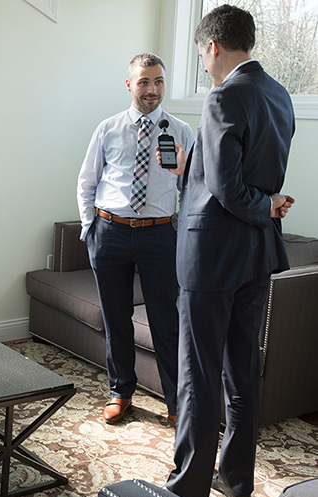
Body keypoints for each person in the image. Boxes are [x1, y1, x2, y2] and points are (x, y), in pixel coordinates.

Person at [162, 5, 295, 497]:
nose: (203, 63)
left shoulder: (223, 96)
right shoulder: (278, 94)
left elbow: (228, 189)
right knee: (243, 374)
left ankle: (187, 487)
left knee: (197, 378)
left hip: (211, 259)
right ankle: (237, 480)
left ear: (213, 47)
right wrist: (270, 203)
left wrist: (261, 202)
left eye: (201, 53)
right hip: (257, 255)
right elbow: (245, 175)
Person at [77, 53, 195, 425]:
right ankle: (120, 392)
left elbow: (193, 190)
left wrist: (184, 171)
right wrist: (90, 229)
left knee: (166, 321)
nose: (152, 89)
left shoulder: (182, 132)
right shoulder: (108, 129)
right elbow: (87, 182)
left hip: (160, 235)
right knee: (117, 318)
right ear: (129, 85)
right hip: (110, 232)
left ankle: (177, 402)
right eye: (144, 82)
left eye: (158, 81)